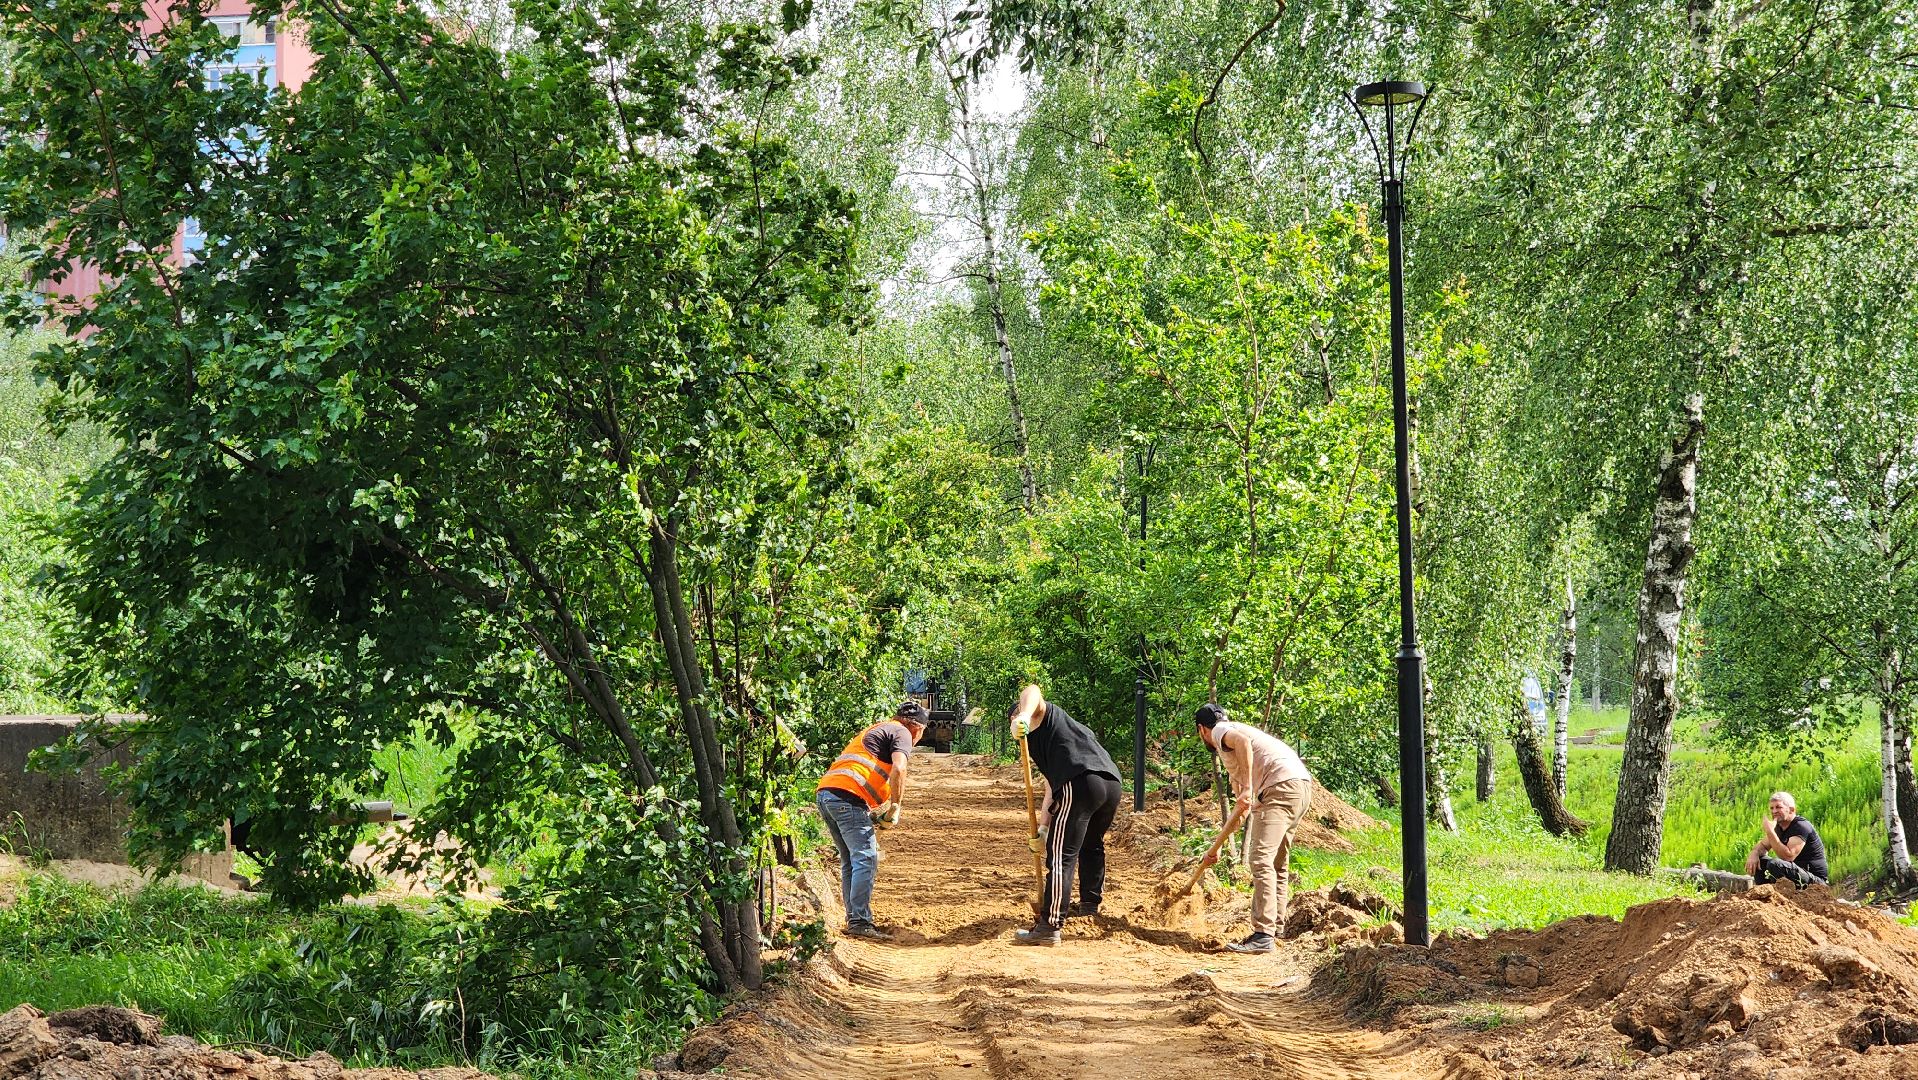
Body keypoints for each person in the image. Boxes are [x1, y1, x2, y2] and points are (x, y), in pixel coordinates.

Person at [1006, 684, 1124, 946]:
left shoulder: (1043, 717)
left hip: (1081, 781)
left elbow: (1032, 690)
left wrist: (1023, 715)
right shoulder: (1062, 737)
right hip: (1109, 784)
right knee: (1091, 845)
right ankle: (1089, 906)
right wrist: (1044, 828)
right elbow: (1052, 786)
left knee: (1060, 855)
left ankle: (1050, 926)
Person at [1194, 703, 1314, 954]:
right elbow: (1241, 812)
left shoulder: (1220, 731)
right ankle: (1275, 927)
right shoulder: (1236, 761)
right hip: (1299, 786)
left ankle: (1263, 934)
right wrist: (1215, 849)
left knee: (1259, 860)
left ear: (1201, 730)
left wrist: (1248, 788)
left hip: (1278, 786)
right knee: (1277, 863)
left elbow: (1243, 744)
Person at [815, 701, 928, 941]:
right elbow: (899, 768)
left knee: (850, 860)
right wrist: (896, 806)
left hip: (828, 795)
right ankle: (859, 921)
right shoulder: (902, 732)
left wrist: (877, 815)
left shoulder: (880, 729)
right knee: (866, 857)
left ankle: (854, 917)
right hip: (847, 798)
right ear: (918, 729)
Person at [1744, 790, 1829, 888]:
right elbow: (1762, 846)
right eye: (1772, 808)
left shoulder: (1801, 826)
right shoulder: (1778, 827)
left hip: (1815, 880)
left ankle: (1781, 894)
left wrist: (1770, 832)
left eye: (1778, 807)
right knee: (1761, 860)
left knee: (1775, 864)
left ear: (1791, 810)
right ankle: (1764, 894)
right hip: (1797, 873)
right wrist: (1754, 853)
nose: (1774, 811)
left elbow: (1788, 857)